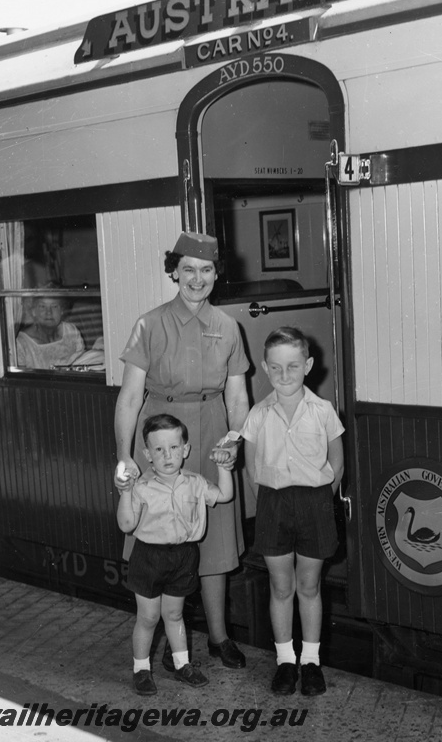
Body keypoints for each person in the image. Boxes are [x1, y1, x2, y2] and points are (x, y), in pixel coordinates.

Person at [114, 231, 250, 670]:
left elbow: (237, 395)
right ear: (174, 271)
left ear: (216, 274)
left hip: (210, 430)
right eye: (188, 268)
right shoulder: (148, 324)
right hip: (159, 435)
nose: (197, 278)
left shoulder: (229, 327)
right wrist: (125, 455)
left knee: (213, 536)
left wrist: (234, 441)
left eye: (206, 269)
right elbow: (130, 398)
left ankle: (217, 637)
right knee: (155, 532)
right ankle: (154, 642)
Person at [240, 327, 344, 697]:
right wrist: (270, 500)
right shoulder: (257, 414)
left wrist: (318, 501)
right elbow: (252, 469)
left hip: (315, 503)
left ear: (308, 365)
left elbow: (337, 463)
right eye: (276, 368)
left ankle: (311, 661)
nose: (285, 375)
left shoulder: (323, 411)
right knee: (281, 586)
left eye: (293, 366)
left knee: (309, 586)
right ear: (266, 369)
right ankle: (286, 660)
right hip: (273, 503)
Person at [117, 413, 234, 694]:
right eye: (158, 449)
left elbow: (226, 495)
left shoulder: (196, 482)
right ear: (147, 454)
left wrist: (225, 468)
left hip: (183, 556)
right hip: (149, 558)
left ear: (185, 450)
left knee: (174, 615)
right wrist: (124, 491)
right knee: (147, 617)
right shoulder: (141, 487)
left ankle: (182, 665)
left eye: (173, 447)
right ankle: (142, 669)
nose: (167, 455)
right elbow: (126, 524)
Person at [16, 294, 84, 369]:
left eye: (54, 306)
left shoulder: (71, 331)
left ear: (61, 310)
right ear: (33, 311)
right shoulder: (22, 344)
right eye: (42, 306)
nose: (49, 312)